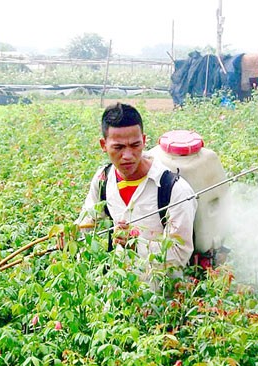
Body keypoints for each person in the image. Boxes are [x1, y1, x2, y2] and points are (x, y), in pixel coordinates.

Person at [76, 103, 197, 270]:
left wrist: (135, 244)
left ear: (144, 141)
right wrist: (70, 233)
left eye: (135, 145)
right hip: (114, 287)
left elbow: (180, 254)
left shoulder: (174, 190)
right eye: (118, 147)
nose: (127, 156)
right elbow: (87, 224)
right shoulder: (103, 179)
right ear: (103, 145)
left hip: (161, 291)